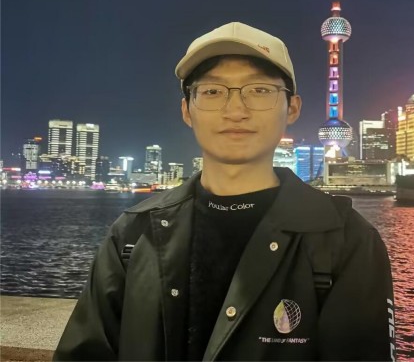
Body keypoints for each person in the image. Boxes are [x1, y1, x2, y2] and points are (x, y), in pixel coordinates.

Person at [53, 22, 396, 361]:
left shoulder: (345, 240)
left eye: (259, 90)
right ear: (187, 110)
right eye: (213, 92)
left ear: (292, 108)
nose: (235, 111)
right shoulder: (134, 233)